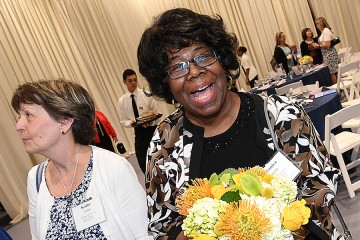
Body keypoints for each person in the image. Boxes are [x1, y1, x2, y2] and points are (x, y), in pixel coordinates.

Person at [137, 8, 342, 240]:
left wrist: (267, 228)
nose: (194, 71)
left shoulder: (281, 114)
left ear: (222, 61)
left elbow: (321, 184)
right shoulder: (165, 144)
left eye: (203, 56)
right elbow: (161, 227)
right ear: (166, 83)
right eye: (177, 67)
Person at [11, 79, 151, 239]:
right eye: (19, 115)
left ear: (65, 121)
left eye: (28, 115)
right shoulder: (36, 179)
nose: (18, 125)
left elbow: (143, 235)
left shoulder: (113, 167)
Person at [118, 69, 160, 174]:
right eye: (130, 81)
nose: (133, 83)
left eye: (135, 80)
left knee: (159, 158)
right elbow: (123, 121)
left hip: (152, 131)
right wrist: (131, 123)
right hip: (138, 134)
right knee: (142, 162)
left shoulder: (147, 95)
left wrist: (150, 122)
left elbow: (157, 114)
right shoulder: (122, 101)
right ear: (124, 82)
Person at [313, 17, 339, 85]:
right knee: (333, 72)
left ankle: (337, 89)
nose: (317, 26)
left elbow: (327, 44)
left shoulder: (326, 30)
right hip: (326, 54)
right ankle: (339, 88)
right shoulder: (323, 32)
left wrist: (318, 46)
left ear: (321, 23)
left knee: (332, 73)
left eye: (318, 24)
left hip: (329, 54)